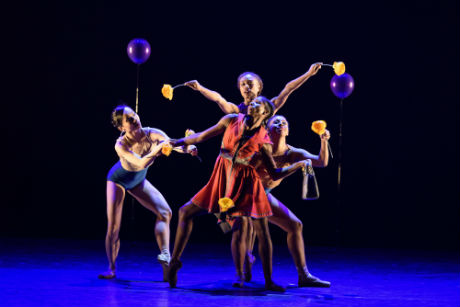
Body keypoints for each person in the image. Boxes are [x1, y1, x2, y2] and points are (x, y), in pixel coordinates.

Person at [167, 97, 311, 291]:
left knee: (257, 229)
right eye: (252, 103)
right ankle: (174, 262)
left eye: (258, 104)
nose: (252, 104)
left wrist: (298, 165)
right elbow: (202, 136)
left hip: (246, 183)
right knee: (185, 212)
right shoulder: (231, 120)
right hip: (222, 175)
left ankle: (262, 279)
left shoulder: (264, 140)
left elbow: (275, 173)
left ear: (266, 113)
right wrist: (178, 141)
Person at [99, 105, 196, 280]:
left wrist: (188, 148)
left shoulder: (152, 133)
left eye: (134, 115)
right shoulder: (121, 144)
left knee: (165, 212)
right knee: (113, 227)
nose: (134, 119)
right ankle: (111, 268)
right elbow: (141, 163)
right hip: (118, 179)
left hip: (138, 179)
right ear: (121, 128)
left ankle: (165, 255)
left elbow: (172, 145)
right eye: (128, 120)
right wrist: (158, 149)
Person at [246, 115, 331, 287]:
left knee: (295, 225)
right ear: (267, 130)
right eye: (275, 122)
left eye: (284, 122)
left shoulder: (292, 153)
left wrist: (324, 141)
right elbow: (247, 175)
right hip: (247, 196)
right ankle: (244, 268)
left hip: (265, 195)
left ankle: (303, 275)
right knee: (247, 251)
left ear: (288, 130)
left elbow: (321, 162)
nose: (280, 124)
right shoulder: (261, 151)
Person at [184, 62, 322, 115]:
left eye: (250, 83)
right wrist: (200, 88)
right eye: (242, 84)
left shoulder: (269, 107)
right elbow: (219, 99)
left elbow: (288, 89)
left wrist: (308, 74)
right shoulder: (236, 110)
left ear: (259, 87)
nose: (246, 87)